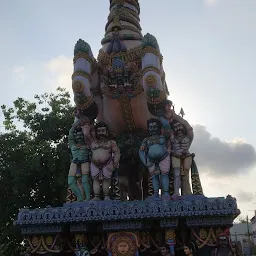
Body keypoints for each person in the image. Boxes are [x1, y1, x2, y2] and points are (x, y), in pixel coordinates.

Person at [83, 122, 120, 200]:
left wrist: (115, 163)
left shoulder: (111, 142)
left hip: (108, 164)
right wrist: (88, 123)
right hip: (94, 164)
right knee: (95, 180)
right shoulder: (92, 142)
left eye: (103, 130)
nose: (101, 133)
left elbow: (117, 153)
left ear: (107, 132)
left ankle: (107, 196)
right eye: (99, 131)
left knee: (107, 180)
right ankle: (96, 196)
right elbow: (86, 134)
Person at [139, 118, 170, 199]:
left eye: (155, 126)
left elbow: (167, 126)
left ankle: (166, 193)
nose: (153, 128)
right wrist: (145, 161)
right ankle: (156, 193)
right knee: (154, 177)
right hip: (151, 160)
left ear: (159, 127)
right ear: (148, 128)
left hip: (164, 157)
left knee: (164, 174)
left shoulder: (163, 136)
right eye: (151, 127)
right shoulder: (146, 140)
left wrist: (161, 117)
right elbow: (141, 151)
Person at [68, 117, 91, 201]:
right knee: (70, 181)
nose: (79, 137)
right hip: (74, 162)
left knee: (85, 180)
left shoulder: (87, 144)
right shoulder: (72, 145)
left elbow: (88, 134)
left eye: (80, 135)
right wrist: (76, 124)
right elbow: (70, 134)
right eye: (77, 136)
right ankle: (80, 197)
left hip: (85, 162)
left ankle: (88, 198)